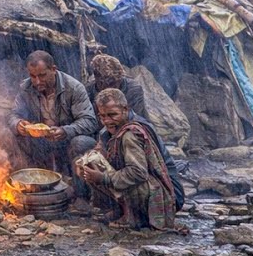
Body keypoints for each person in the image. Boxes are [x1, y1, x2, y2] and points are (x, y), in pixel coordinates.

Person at [75, 88, 178, 231]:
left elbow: (138, 172)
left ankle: (134, 217)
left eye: (112, 115)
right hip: (143, 183)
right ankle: (120, 210)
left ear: (125, 110)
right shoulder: (109, 130)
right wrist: (86, 163)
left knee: (104, 176)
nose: (107, 120)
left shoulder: (131, 134)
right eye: (102, 116)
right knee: (91, 165)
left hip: (162, 191)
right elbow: (100, 152)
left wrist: (103, 178)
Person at [8, 50, 98, 205]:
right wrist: (18, 124)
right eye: (33, 76)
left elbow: (89, 121)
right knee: (10, 135)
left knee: (80, 143)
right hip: (42, 141)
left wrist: (65, 130)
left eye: (42, 75)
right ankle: (32, 188)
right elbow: (13, 114)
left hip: (68, 139)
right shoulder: (26, 88)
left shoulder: (73, 88)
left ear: (53, 69)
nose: (37, 81)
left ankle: (81, 196)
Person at [85, 54, 148, 120]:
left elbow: (136, 118)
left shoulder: (133, 90)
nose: (114, 86)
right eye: (110, 83)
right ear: (97, 79)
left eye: (117, 81)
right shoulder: (89, 91)